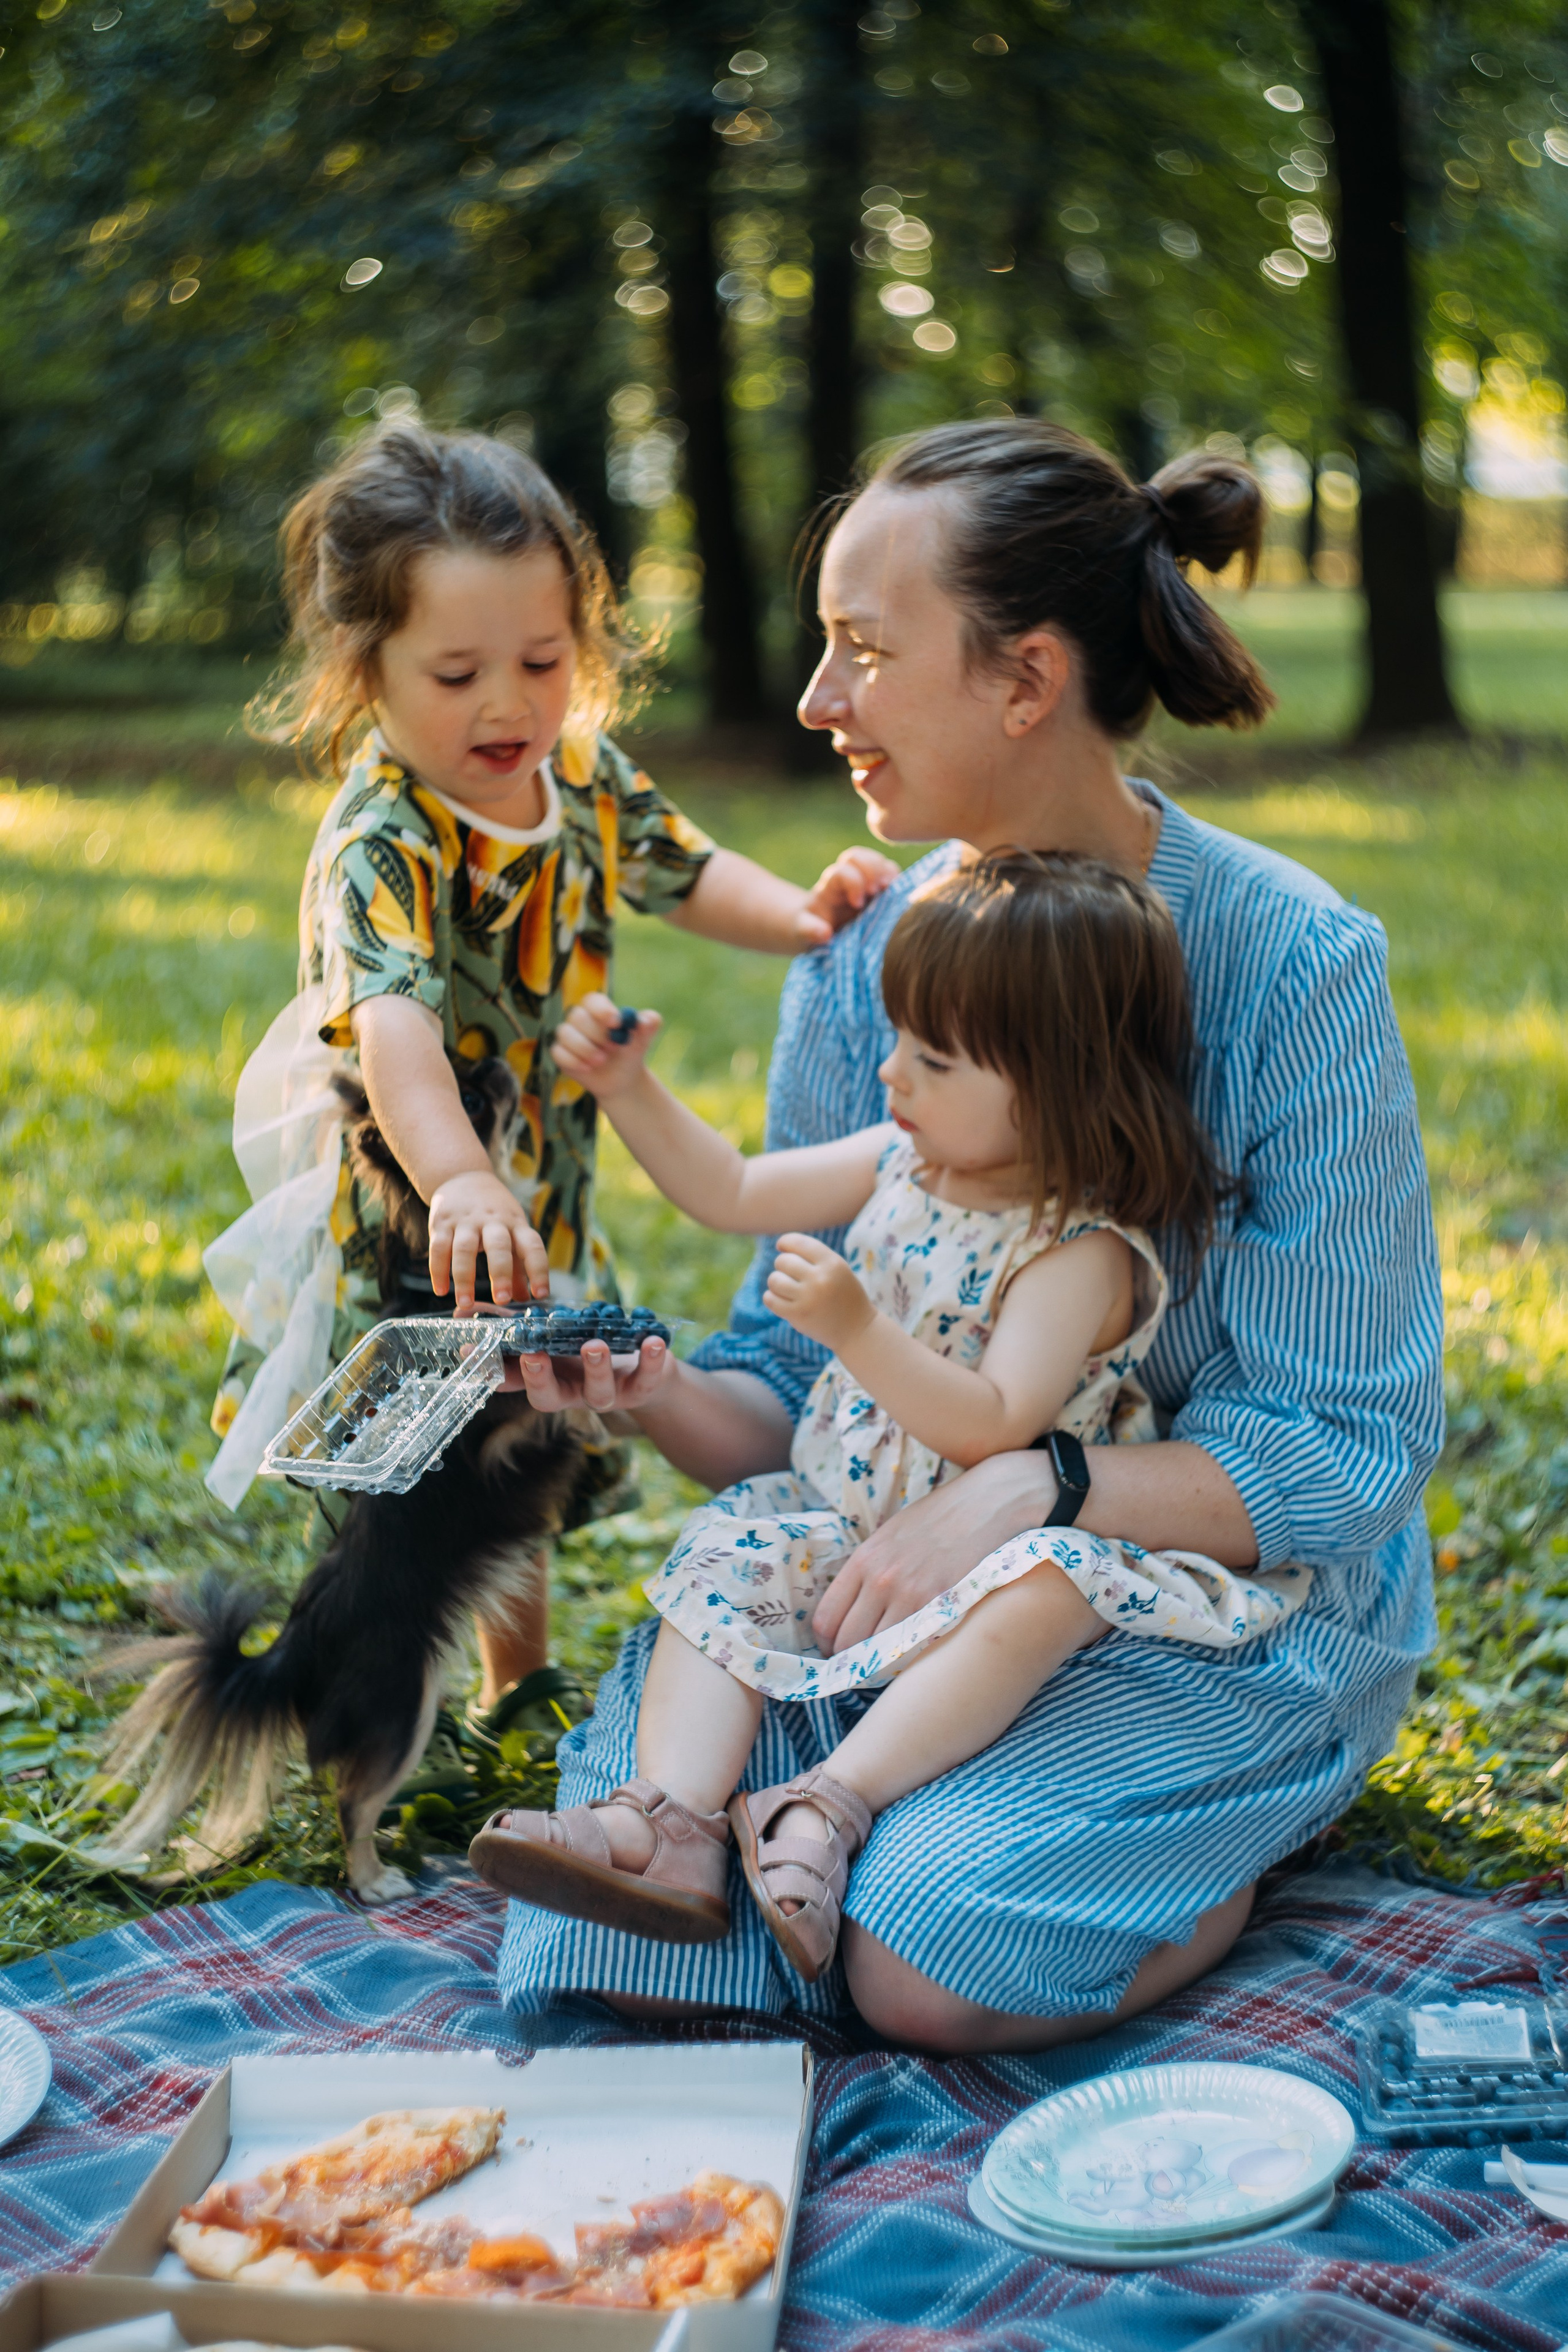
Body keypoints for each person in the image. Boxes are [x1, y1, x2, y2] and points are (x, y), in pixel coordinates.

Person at [497, 418, 1446, 2052]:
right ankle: (927, 1822)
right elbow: (792, 1392)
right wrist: (650, 1389)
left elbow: (1342, 1446)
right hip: (885, 1574)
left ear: (1027, 679)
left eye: (864, 651)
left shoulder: (1293, 965)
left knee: (926, 1955)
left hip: (1205, 1594)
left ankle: (1222, 1828)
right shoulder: (859, 963)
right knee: (643, 1953)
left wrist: (1033, 1484)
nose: (815, 701)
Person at [472, 851, 1311, 1982]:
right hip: (850, 1524)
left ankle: (827, 1805)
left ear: (1057, 1083)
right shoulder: (900, 1163)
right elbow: (730, 1190)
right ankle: (663, 1822)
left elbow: (997, 1425)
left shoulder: (1081, 1251)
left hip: (999, 1548)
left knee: (1043, 1594)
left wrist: (860, 1328)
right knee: (722, 1556)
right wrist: (629, 1093)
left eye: (934, 1057)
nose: (892, 1075)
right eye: (899, 1040)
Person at [202, 420, 894, 1702]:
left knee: (531, 1428)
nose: (509, 704)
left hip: (545, 1182)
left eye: (542, 658)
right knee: (419, 1465)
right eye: (457, 672)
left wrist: (800, 913)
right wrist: (460, 1181)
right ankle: (362, 1690)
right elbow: (395, 1028)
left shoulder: (576, 771)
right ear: (367, 670)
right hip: (421, 1202)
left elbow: (683, 869)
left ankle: (513, 1679)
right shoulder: (381, 839)